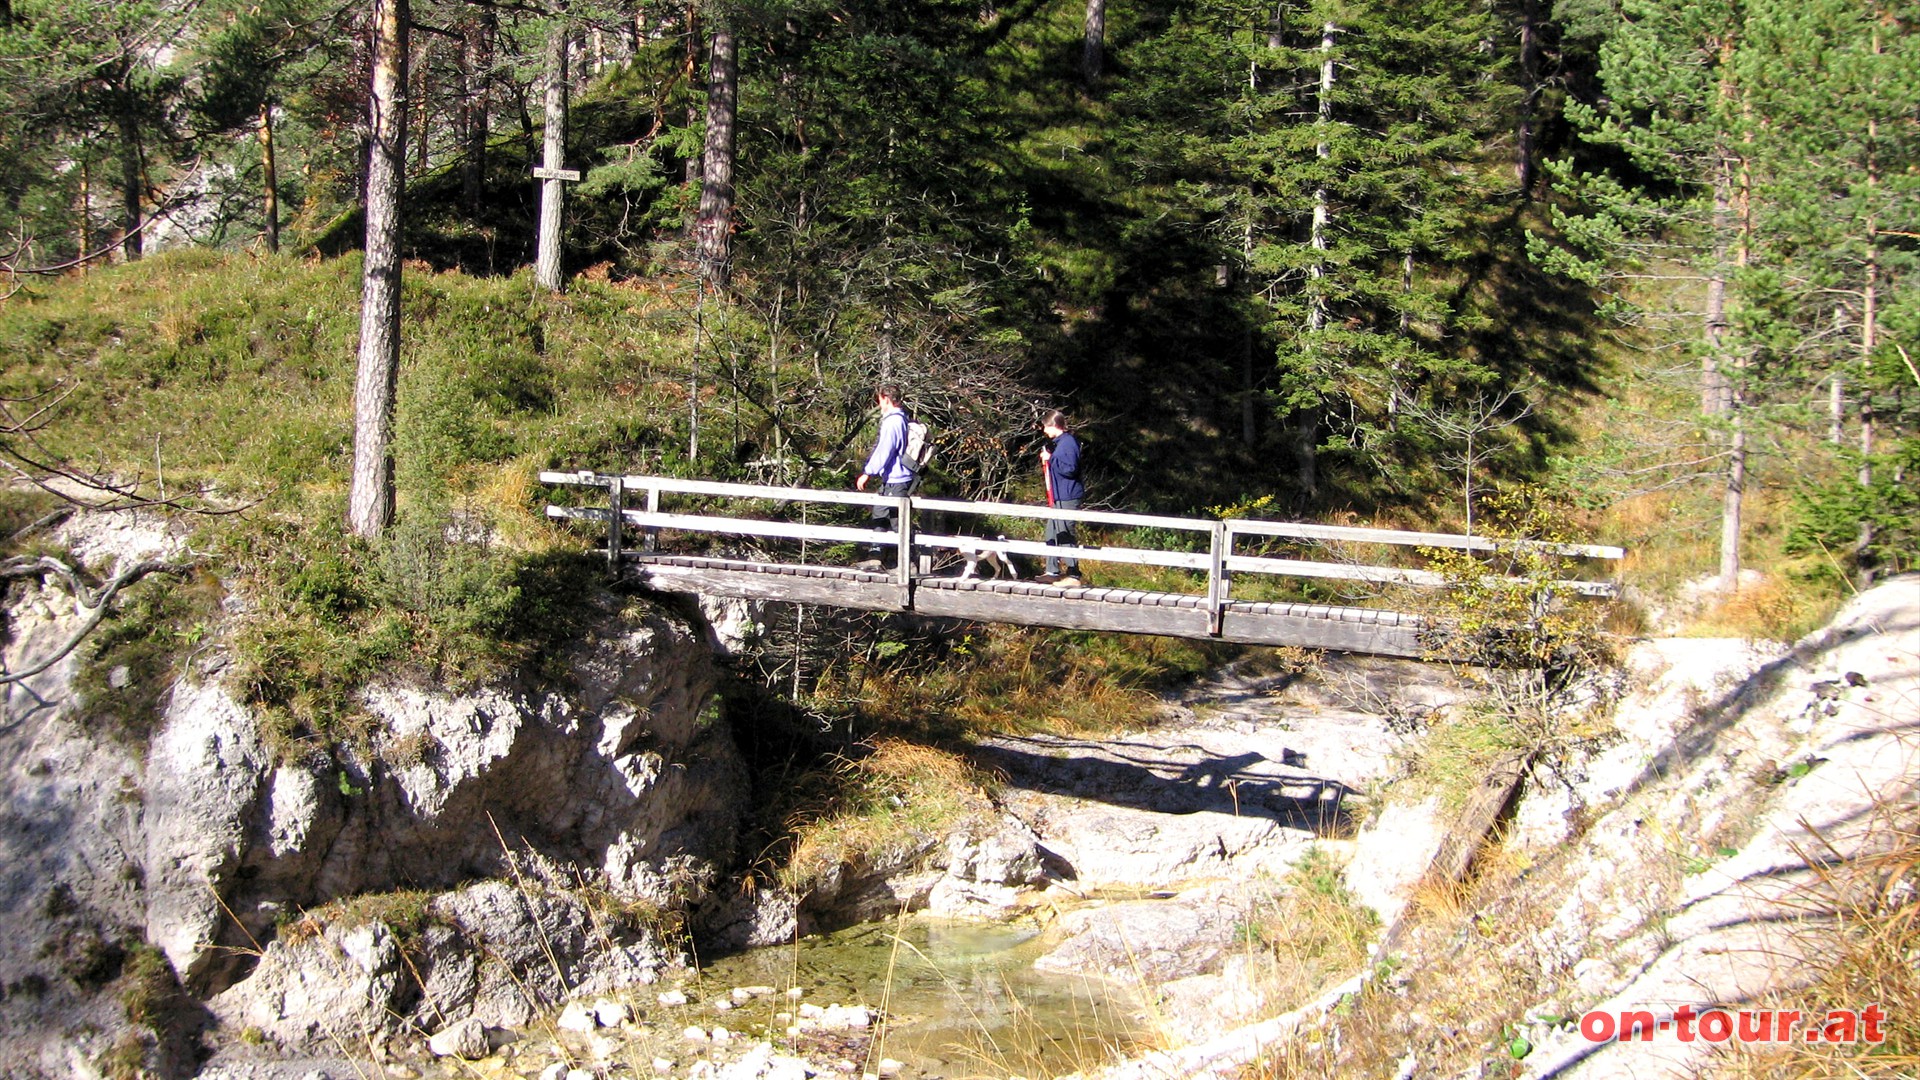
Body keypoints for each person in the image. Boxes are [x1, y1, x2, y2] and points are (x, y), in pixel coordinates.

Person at [854, 384, 914, 571]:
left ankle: (907, 564)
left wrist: (867, 472)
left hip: (897, 480)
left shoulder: (893, 422)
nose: (879, 404)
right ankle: (875, 557)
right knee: (880, 514)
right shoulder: (901, 419)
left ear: (886, 399)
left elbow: (884, 450)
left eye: (879, 400)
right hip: (894, 479)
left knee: (898, 521)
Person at [1037, 410, 1083, 586]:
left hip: (1068, 496)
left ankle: (1073, 575)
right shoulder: (1060, 443)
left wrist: (1051, 459)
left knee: (1065, 533)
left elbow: (1070, 469)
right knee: (1052, 532)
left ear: (1055, 425)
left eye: (1046, 427)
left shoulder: (1068, 443)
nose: (1045, 431)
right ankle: (1052, 571)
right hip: (1058, 496)